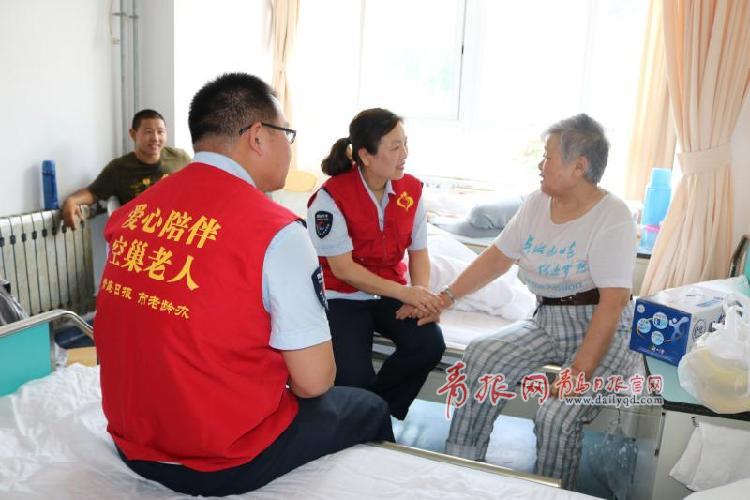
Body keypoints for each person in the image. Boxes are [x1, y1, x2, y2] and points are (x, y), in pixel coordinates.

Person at [95, 73, 393, 497]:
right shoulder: (277, 232)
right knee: (369, 407)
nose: (290, 146)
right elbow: (314, 382)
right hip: (221, 459)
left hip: (133, 445)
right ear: (257, 136)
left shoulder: (132, 215)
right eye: (286, 133)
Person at [440, 114, 642, 490]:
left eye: (548, 156)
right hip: (548, 318)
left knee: (556, 416)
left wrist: (578, 371)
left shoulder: (613, 217)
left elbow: (613, 303)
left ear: (579, 166)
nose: (540, 164)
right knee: (482, 355)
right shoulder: (536, 203)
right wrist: (445, 296)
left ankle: (551, 492)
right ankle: (461, 467)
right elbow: (497, 258)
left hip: (604, 328)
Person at [307, 108, 446, 420]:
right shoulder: (330, 198)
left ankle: (375, 412)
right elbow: (343, 269)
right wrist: (405, 293)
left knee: (428, 345)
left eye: (405, 143)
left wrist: (419, 294)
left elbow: (419, 252)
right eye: (395, 147)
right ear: (365, 155)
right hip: (342, 295)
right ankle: (367, 415)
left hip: (389, 292)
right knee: (352, 377)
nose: (404, 154)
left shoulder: (412, 190)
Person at [61, 109, 191, 228]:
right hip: (141, 234)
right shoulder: (119, 168)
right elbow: (93, 193)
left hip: (178, 229)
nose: (155, 138)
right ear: (133, 134)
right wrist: (72, 201)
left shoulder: (180, 158)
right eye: (148, 132)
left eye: (160, 132)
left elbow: (198, 183)